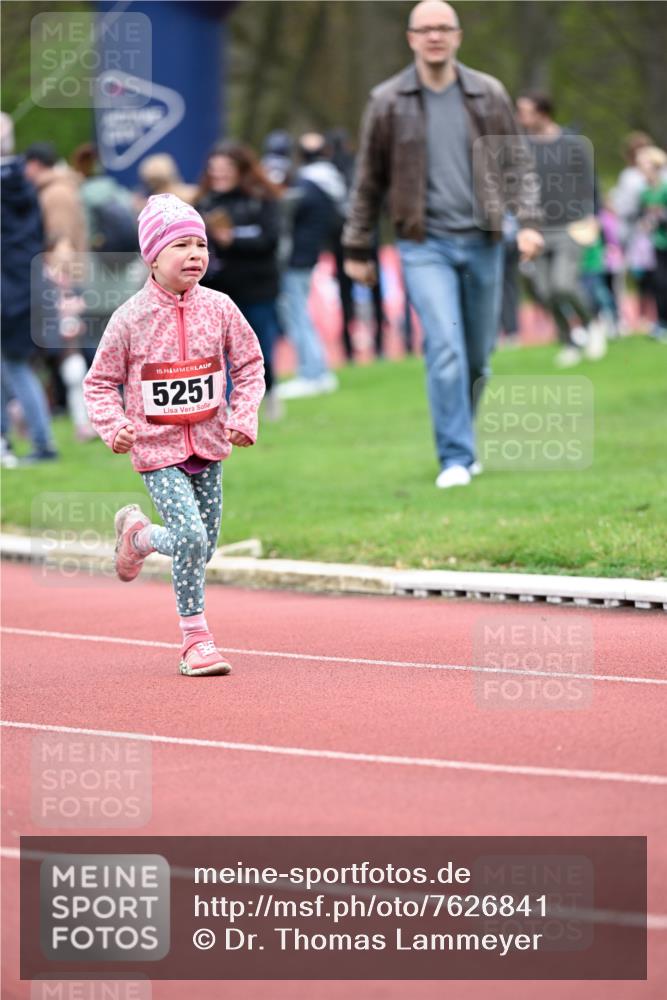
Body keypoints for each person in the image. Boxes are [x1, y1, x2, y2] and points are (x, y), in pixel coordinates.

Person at [343, 1, 543, 488]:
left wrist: (532, 221)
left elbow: (517, 164)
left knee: (477, 359)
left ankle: (463, 440)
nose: (435, 36)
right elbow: (368, 180)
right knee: (446, 348)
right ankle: (455, 456)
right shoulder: (388, 100)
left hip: (483, 241)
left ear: (457, 36)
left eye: (443, 28)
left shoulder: (487, 93)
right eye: (425, 29)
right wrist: (356, 247)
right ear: (411, 38)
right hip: (422, 243)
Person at [83, 194, 265, 677]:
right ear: (153, 256)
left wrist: (244, 415)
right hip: (156, 448)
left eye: (200, 244)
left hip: (209, 445)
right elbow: (100, 382)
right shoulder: (130, 318)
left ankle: (138, 536)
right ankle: (196, 642)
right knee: (188, 536)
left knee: (202, 545)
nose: (194, 254)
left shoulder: (221, 309)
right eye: (181, 244)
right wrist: (115, 425)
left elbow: (249, 365)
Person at [516, 92, 606, 366]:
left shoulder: (572, 143)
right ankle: (569, 341)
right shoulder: (522, 147)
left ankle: (593, 325)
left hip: (572, 226)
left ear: (542, 113)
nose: (520, 117)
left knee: (563, 284)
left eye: (525, 111)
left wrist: (593, 215)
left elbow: (590, 181)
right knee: (544, 291)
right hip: (538, 229)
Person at [196, 141, 284, 419]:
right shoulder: (203, 203)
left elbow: (270, 240)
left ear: (240, 170)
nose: (219, 175)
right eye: (214, 170)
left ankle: (268, 394)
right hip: (218, 289)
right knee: (220, 352)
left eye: (225, 169)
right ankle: (230, 404)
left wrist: (233, 240)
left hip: (257, 288)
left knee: (258, 348)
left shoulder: (260, 199)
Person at [24, 141, 95, 439]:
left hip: (60, 283)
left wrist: (58, 286)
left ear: (34, 165)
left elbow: (60, 243)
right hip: (61, 282)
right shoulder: (60, 189)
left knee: (67, 355)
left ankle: (83, 420)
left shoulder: (55, 194)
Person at [0, 113, 58, 466]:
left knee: (16, 368)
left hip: (9, 292)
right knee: (15, 366)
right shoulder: (25, 184)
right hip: (26, 288)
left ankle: (41, 442)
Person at [278, 131, 347, 400]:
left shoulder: (308, 186)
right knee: (300, 315)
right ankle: (316, 371)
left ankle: (312, 374)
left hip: (297, 259)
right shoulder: (329, 182)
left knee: (298, 316)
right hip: (308, 257)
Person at [637, 146, 667, 340]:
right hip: (657, 243)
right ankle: (663, 322)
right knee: (659, 284)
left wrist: (658, 218)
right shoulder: (646, 192)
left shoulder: (664, 188)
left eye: (645, 164)